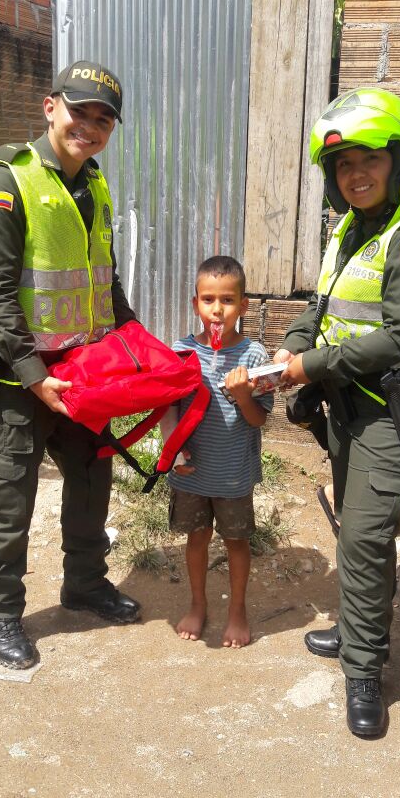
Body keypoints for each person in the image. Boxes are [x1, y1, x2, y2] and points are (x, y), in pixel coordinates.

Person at [274, 87, 400, 738]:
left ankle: (363, 671)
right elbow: (321, 307)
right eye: (343, 164)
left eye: (369, 160)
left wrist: (309, 366)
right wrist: (292, 346)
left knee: (362, 537)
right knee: (359, 534)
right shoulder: (348, 231)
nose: (356, 174)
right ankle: (359, 630)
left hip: (394, 416)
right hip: (349, 409)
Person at [0, 60, 141, 670]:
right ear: (51, 108)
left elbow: (105, 280)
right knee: (8, 500)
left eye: (103, 120)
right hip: (20, 379)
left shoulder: (94, 185)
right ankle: (0, 614)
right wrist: (36, 377)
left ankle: (86, 584)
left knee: (92, 483)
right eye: (79, 112)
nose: (89, 127)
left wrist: (135, 348)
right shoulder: (7, 182)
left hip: (85, 375)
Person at [167, 256, 274, 648]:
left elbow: (258, 420)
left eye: (227, 300)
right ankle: (198, 604)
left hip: (232, 476)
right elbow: (169, 410)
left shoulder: (254, 358)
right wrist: (174, 452)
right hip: (191, 472)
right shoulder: (181, 351)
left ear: (243, 306)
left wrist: (243, 395)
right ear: (195, 303)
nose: (217, 310)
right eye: (208, 299)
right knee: (196, 538)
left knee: (236, 542)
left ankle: (237, 610)